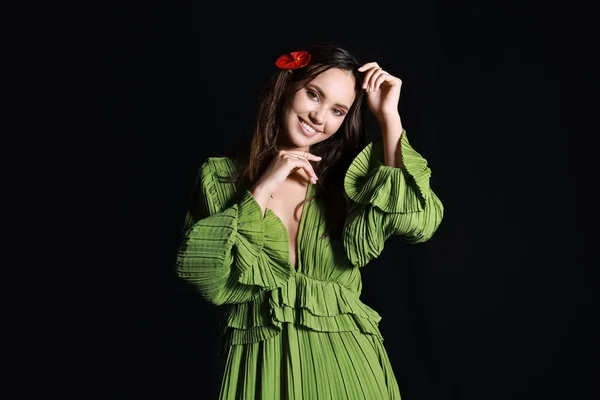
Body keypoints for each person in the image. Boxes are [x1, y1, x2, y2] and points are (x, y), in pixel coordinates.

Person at [175, 42, 444, 399]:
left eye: (337, 110)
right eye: (313, 95)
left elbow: (418, 224)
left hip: (349, 366)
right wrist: (263, 187)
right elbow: (205, 276)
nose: (319, 118)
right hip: (260, 362)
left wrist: (389, 118)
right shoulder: (220, 177)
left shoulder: (346, 182)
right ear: (287, 87)